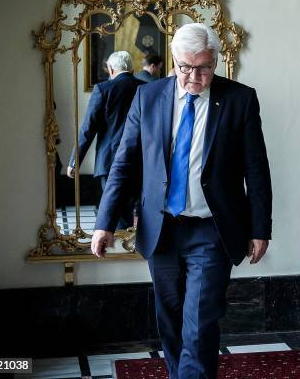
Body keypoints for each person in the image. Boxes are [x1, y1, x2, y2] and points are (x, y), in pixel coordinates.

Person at [91, 23, 272, 379]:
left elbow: (257, 169)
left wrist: (260, 228)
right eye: (185, 67)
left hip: (211, 230)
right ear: (173, 61)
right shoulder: (149, 96)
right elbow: (124, 163)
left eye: (203, 67)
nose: (194, 76)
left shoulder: (240, 99)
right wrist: (104, 223)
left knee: (200, 323)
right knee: (171, 321)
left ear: (216, 61)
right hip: (162, 230)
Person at [67, 51, 144, 229]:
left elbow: (88, 129)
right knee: (135, 207)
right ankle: (133, 250)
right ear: (132, 68)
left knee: (114, 209)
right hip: (139, 160)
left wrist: (75, 160)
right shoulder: (144, 88)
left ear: (110, 69)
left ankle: (120, 250)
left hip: (109, 160)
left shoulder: (103, 89)